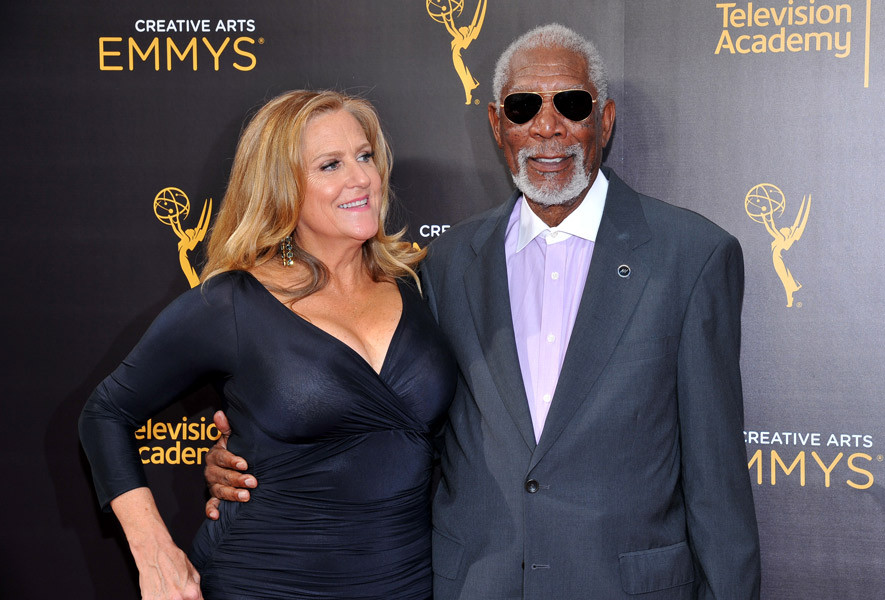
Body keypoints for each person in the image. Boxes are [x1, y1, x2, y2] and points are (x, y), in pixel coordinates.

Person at [204, 24, 761, 599]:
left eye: (571, 105)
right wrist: (262, 457)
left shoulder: (691, 256)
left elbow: (717, 484)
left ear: (606, 119)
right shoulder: (444, 265)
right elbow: (396, 429)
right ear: (499, 126)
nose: (548, 127)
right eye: (524, 108)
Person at [79, 90, 457, 600]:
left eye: (365, 156)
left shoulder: (419, 285)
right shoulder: (232, 304)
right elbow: (105, 413)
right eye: (330, 165)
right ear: (282, 186)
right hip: (265, 580)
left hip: (404, 583)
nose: (361, 178)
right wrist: (154, 550)